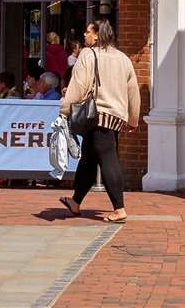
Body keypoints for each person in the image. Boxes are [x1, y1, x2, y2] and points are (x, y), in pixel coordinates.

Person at [59, 19, 139, 223]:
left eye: (87, 32)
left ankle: (119, 208)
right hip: (115, 116)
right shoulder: (123, 59)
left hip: (97, 115)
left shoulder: (88, 54)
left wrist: (65, 110)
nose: (84, 35)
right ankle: (76, 202)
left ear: (97, 35)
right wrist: (133, 118)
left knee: (108, 159)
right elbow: (133, 92)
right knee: (88, 159)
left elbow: (78, 85)